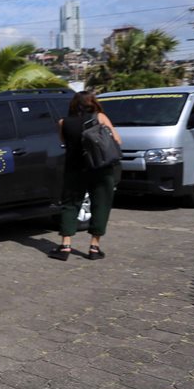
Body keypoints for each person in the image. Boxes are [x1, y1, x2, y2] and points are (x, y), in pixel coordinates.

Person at [51, 90, 122, 261]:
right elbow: (117, 140)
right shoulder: (100, 118)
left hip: (74, 168)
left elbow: (63, 142)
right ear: (92, 103)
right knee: (101, 204)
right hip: (100, 167)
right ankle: (94, 248)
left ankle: (65, 246)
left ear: (73, 104)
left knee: (70, 204)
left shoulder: (63, 122)